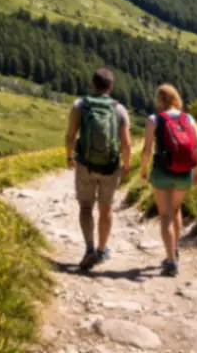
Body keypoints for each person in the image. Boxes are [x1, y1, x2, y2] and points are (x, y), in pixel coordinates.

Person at [65, 68, 132, 270]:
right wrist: (126, 165)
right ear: (110, 87)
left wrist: (69, 156)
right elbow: (126, 144)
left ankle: (89, 248)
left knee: (86, 207)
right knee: (106, 209)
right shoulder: (119, 109)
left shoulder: (80, 105)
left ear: (92, 84)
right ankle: (102, 250)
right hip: (110, 167)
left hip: (85, 164)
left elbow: (70, 136)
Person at [139, 83, 197, 277]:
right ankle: (174, 250)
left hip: (162, 172)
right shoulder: (188, 118)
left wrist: (143, 170)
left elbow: (146, 150)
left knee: (165, 215)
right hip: (185, 172)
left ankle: (171, 261)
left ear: (159, 100)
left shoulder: (154, 119)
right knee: (176, 210)